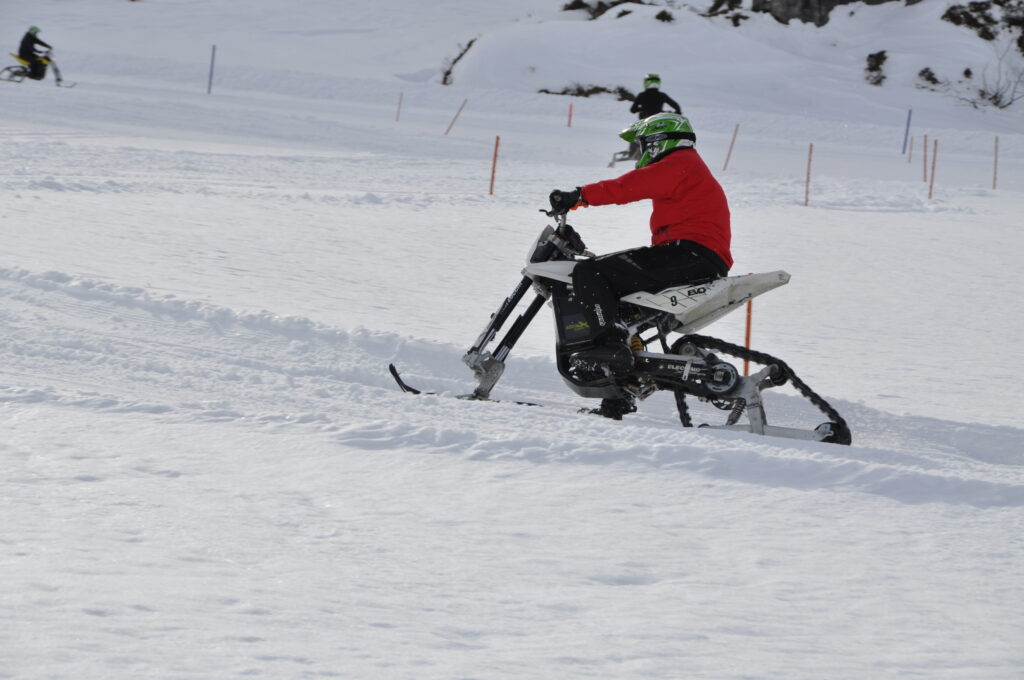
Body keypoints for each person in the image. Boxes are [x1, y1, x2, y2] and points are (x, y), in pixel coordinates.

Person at [548, 112, 732, 389]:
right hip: (693, 254)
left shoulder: (680, 163)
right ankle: (620, 384)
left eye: (643, 144)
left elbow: (627, 186)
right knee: (620, 298)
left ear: (658, 141)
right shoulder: (687, 166)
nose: (641, 151)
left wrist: (579, 195)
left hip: (690, 254)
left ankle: (609, 347)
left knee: (589, 272)